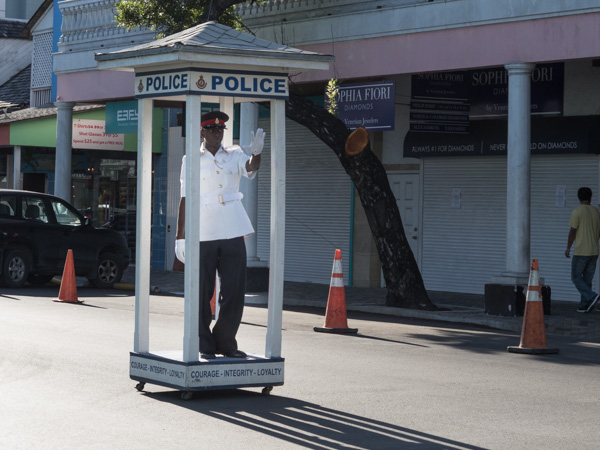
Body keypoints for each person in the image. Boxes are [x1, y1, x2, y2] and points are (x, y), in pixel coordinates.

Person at [175, 110, 264, 359]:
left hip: (233, 228)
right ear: (202, 132)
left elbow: (250, 168)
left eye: (220, 130)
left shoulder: (235, 153)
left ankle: (226, 342)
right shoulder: (190, 158)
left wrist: (256, 153)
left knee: (234, 290)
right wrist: (180, 236)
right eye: (212, 130)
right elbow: (185, 198)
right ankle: (203, 342)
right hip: (203, 231)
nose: (216, 133)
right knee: (201, 291)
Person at [565, 187, 600, 313]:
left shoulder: (577, 211)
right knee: (587, 280)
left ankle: (592, 296)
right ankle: (584, 305)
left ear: (579, 198)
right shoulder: (597, 212)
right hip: (594, 251)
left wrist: (568, 247)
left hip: (581, 251)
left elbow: (573, 231)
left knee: (575, 277)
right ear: (590, 197)